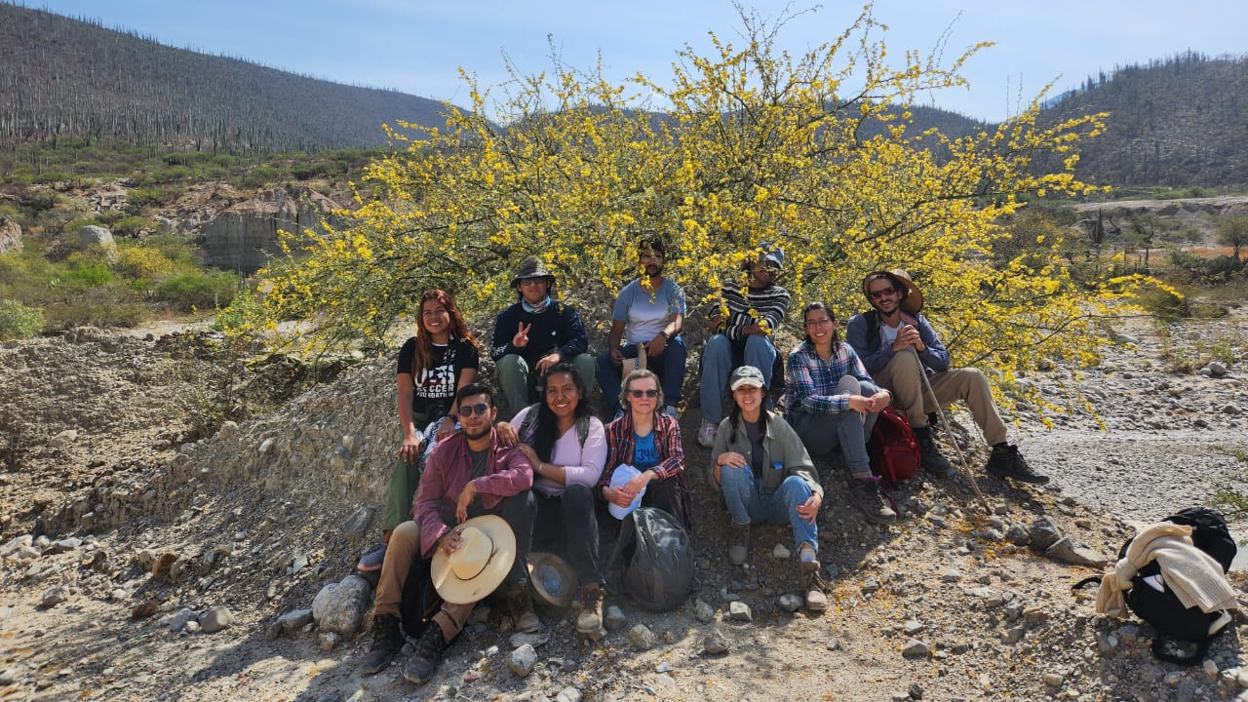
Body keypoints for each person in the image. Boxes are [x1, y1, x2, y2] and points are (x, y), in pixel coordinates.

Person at [361, 384, 538, 686]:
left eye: (480, 409)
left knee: (473, 555)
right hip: (443, 525)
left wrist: (477, 485)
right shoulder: (444, 451)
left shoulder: (506, 449)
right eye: (465, 411)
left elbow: (524, 477)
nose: (472, 417)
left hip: (483, 533)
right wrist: (440, 533)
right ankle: (386, 622)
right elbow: (424, 502)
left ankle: (438, 635)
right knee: (404, 533)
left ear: (493, 413)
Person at [846, 270, 1049, 484]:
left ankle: (1001, 450)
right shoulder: (860, 324)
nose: (883, 298)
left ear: (898, 294)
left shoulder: (917, 322)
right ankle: (921, 434)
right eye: (876, 295)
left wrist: (922, 348)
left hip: (917, 391)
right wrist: (893, 348)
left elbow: (943, 361)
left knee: (973, 376)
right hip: (883, 394)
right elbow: (860, 367)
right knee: (904, 357)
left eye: (888, 291)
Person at [359, 289, 482, 572]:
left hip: (454, 415)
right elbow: (405, 395)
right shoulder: (412, 348)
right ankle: (391, 539)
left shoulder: (466, 349)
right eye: (427, 313)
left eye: (439, 311)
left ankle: (435, 533)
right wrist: (410, 433)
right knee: (408, 458)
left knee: (442, 456)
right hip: (420, 418)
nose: (433, 318)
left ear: (451, 313)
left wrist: (452, 419)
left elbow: (464, 390)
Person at [709, 365, 827, 611]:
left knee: (797, 483)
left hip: (777, 503)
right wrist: (720, 461)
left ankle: (810, 572)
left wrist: (816, 495)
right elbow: (716, 480)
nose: (747, 394)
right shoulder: (725, 428)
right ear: (734, 395)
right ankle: (741, 528)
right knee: (730, 468)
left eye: (753, 388)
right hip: (747, 504)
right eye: (741, 389)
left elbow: (803, 467)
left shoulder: (780, 426)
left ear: (763, 393)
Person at [504, 362, 610, 635]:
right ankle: (519, 595)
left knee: (576, 491)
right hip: (537, 513)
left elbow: (589, 476)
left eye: (567, 389)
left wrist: (539, 467)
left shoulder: (591, 426)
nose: (559, 397)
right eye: (552, 391)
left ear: (580, 391)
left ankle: (591, 593)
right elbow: (500, 447)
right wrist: (501, 426)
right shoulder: (530, 417)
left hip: (574, 516)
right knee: (519, 496)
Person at [786, 301, 897, 524]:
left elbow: (866, 381)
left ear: (835, 324)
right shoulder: (799, 356)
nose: (818, 328)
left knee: (866, 390)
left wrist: (884, 394)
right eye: (812, 323)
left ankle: (849, 452)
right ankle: (863, 481)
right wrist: (848, 402)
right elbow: (809, 402)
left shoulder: (845, 350)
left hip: (837, 428)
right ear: (806, 329)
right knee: (848, 405)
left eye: (823, 321)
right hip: (807, 430)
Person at [698, 242, 790, 448]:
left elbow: (765, 327)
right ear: (752, 260)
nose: (770, 270)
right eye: (765, 263)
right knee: (717, 343)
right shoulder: (730, 286)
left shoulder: (780, 295)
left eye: (775, 266)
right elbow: (714, 324)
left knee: (757, 341)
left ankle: (757, 416)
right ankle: (711, 420)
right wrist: (747, 327)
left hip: (759, 352)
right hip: (727, 349)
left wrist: (730, 320)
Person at [491, 258, 596, 418]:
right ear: (519, 286)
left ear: (547, 283)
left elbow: (580, 341)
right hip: (526, 373)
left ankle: (580, 415)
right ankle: (523, 420)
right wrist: (514, 344)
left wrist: (559, 355)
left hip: (560, 370)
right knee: (508, 362)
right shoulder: (507, 316)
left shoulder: (565, 312)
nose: (533, 285)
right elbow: (495, 352)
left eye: (538, 280)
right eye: (527, 281)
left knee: (585, 360)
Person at [597, 239, 687, 417]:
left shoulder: (674, 290)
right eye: (646, 257)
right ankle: (620, 410)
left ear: (665, 261)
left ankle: (670, 407)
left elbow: (677, 322)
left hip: (662, 349)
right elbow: (616, 330)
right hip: (636, 352)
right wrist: (614, 348)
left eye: (657, 257)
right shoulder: (627, 293)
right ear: (639, 261)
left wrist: (662, 336)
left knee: (678, 345)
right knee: (602, 362)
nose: (652, 262)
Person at [597, 369, 692, 531]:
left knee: (667, 486)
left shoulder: (669, 424)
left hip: (660, 491)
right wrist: (608, 493)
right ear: (627, 396)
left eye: (651, 393)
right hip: (628, 493)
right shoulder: (614, 429)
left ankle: (675, 546)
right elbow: (608, 469)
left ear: (658, 396)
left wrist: (647, 475)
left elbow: (677, 460)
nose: (645, 398)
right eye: (638, 393)